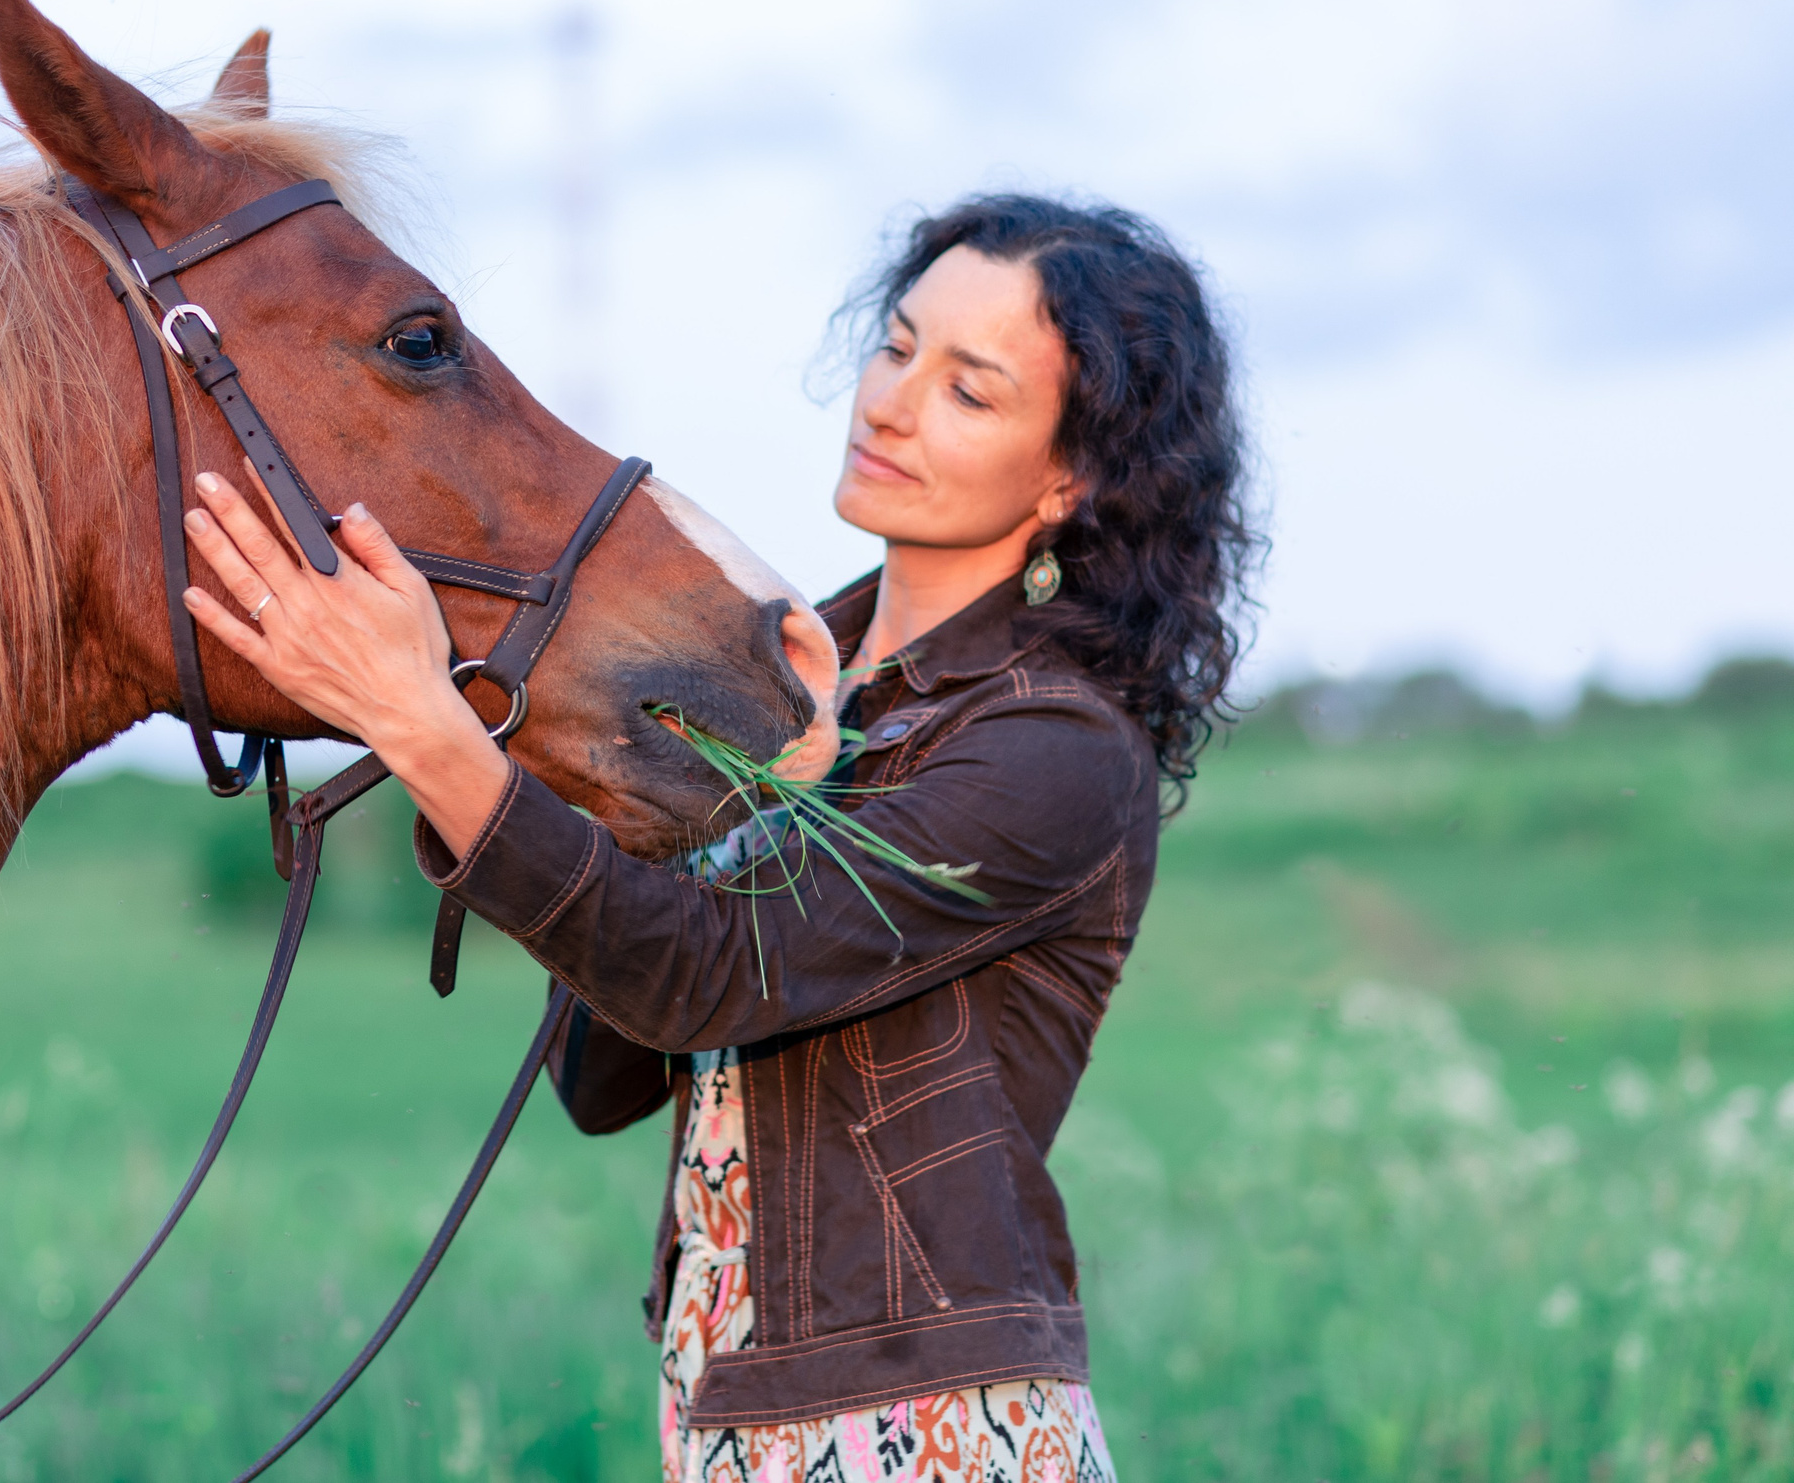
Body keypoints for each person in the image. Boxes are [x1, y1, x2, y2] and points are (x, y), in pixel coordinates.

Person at [179, 194, 1256, 1481]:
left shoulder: (1054, 752)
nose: (893, 404)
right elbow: (606, 1077)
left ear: (1072, 477)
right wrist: (569, 743)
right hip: (728, 1410)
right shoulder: (805, 698)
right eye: (898, 346)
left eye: (970, 393)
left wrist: (421, 728)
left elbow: (703, 975)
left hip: (924, 1430)